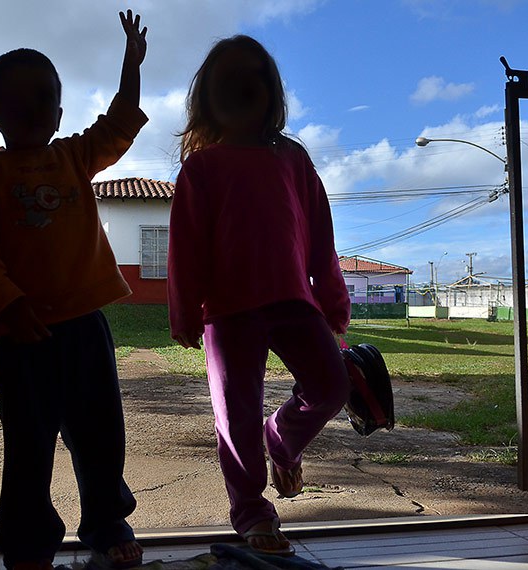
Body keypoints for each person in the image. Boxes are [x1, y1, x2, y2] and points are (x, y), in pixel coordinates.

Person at [0, 11, 148, 570]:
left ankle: (109, 524)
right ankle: (27, 544)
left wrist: (130, 67)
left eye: (45, 97)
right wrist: (8, 304)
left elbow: (117, 126)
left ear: (60, 112)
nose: (34, 108)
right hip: (22, 336)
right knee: (28, 450)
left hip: (87, 327)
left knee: (102, 437)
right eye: (17, 100)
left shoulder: (72, 157)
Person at [168, 35, 351, 556]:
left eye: (255, 78)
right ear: (207, 98)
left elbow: (320, 233)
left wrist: (333, 299)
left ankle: (283, 438)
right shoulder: (201, 168)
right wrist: (184, 310)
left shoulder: (292, 158)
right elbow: (186, 246)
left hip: (294, 302)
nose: (244, 88)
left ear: (272, 93)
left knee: (331, 385)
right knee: (235, 417)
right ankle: (252, 513)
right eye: (229, 81)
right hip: (227, 313)